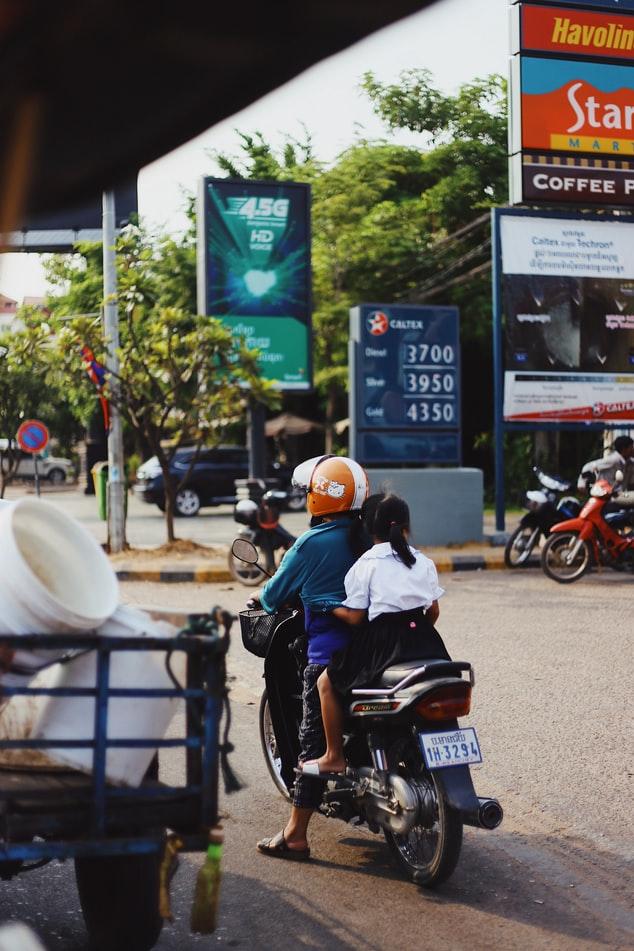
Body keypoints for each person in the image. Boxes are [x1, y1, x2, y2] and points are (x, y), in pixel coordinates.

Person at [254, 454, 370, 861]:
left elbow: (273, 595)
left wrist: (260, 596)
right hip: (377, 652)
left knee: (310, 745)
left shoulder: (311, 542)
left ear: (320, 497)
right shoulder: (371, 535)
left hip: (327, 655)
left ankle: (296, 835)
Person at [300, 493, 450, 778]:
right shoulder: (422, 561)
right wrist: (417, 630)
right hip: (426, 641)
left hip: (382, 644)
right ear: (406, 528)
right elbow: (432, 613)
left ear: (369, 530)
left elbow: (356, 618)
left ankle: (333, 756)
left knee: (325, 683)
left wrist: (330, 608)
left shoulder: (365, 565)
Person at [577, 436, 634, 503]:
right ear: (624, 449)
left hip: (622, 495)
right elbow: (588, 467)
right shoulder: (613, 460)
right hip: (611, 496)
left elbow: (631, 483)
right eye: (631, 447)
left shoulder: (630, 463)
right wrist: (583, 486)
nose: (633, 449)